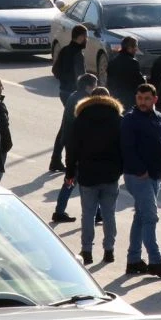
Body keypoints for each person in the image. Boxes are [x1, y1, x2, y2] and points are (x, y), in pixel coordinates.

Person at [64, 86, 125, 265]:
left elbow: (72, 148)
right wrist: (120, 169)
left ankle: (87, 250)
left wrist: (70, 172)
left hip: (87, 174)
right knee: (109, 214)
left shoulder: (81, 119)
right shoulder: (118, 119)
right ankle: (109, 250)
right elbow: (124, 148)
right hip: (110, 174)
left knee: (88, 214)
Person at [120, 84, 161, 278]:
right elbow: (127, 148)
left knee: (141, 216)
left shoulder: (158, 117)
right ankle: (155, 262)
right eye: (140, 98)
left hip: (154, 175)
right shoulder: (130, 119)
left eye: (147, 99)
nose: (143, 102)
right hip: (138, 176)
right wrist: (140, 170)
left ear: (154, 99)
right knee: (151, 216)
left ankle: (133, 260)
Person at [51, 74, 98, 224]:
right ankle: (60, 212)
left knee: (76, 180)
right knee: (84, 181)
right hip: (78, 148)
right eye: (95, 85)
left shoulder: (73, 96)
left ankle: (97, 212)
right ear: (89, 86)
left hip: (71, 144)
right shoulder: (84, 101)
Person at [49, 25, 89, 171]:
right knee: (70, 127)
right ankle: (63, 160)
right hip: (74, 94)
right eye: (86, 37)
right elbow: (82, 78)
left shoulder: (65, 50)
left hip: (64, 91)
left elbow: (55, 70)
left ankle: (56, 159)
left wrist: (64, 81)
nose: (87, 40)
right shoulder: (78, 54)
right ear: (80, 37)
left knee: (66, 125)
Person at [106, 35, 146, 108]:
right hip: (129, 99)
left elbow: (109, 81)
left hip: (115, 97)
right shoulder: (133, 63)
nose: (136, 49)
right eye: (135, 47)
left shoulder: (112, 62)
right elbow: (140, 82)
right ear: (130, 48)